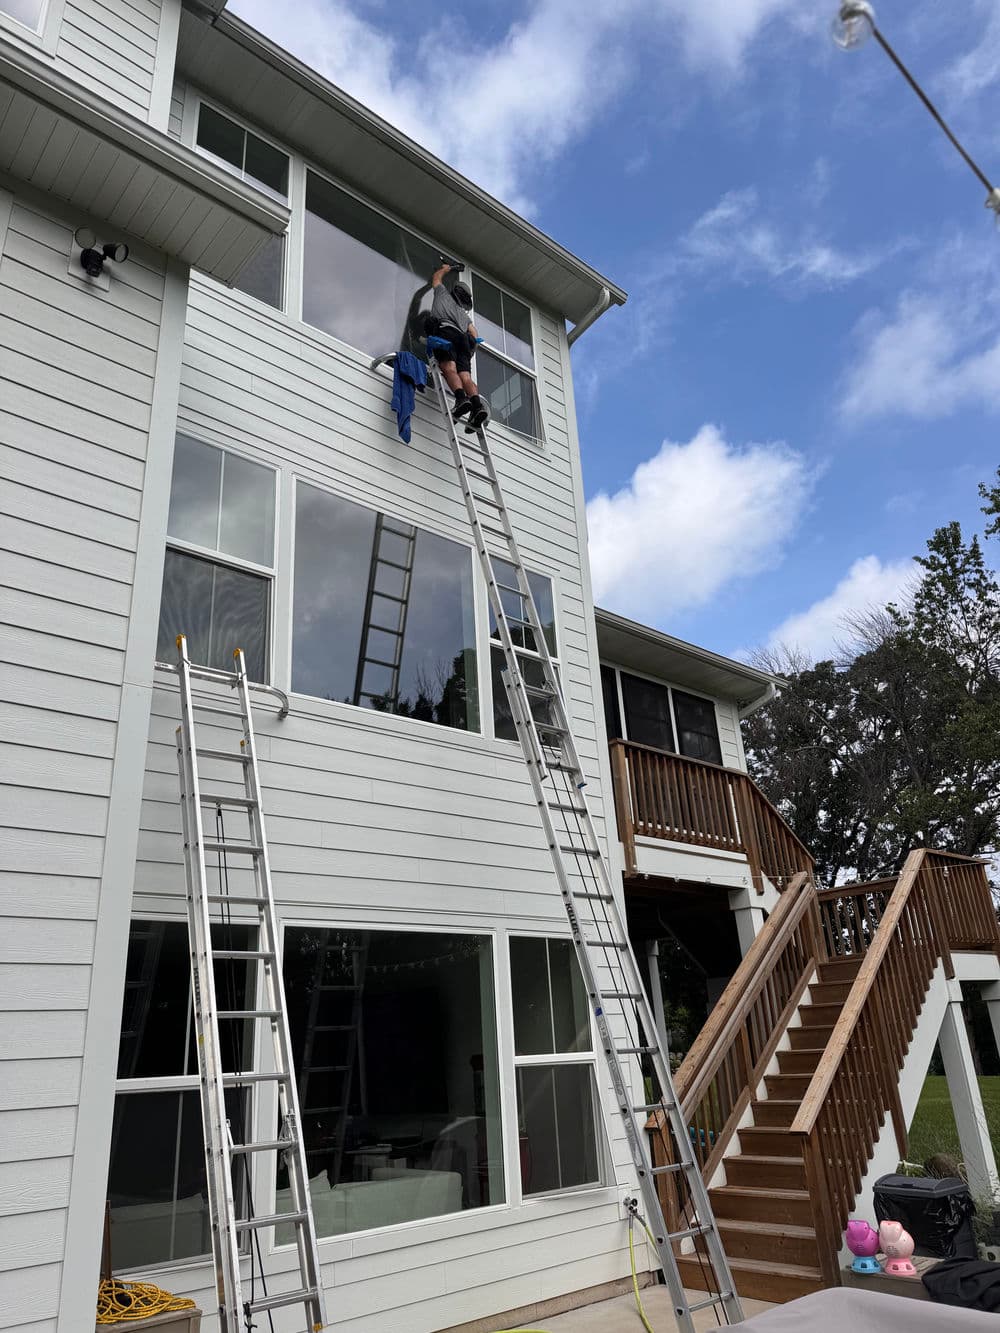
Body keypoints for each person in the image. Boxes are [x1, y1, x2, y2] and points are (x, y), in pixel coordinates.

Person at [428, 261, 490, 432]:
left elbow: (436, 278)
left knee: (449, 368)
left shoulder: (442, 295)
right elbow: (474, 335)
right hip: (464, 341)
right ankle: (477, 406)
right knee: (466, 377)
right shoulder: (463, 314)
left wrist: (446, 269)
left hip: (446, 331)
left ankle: (461, 399)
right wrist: (468, 353)